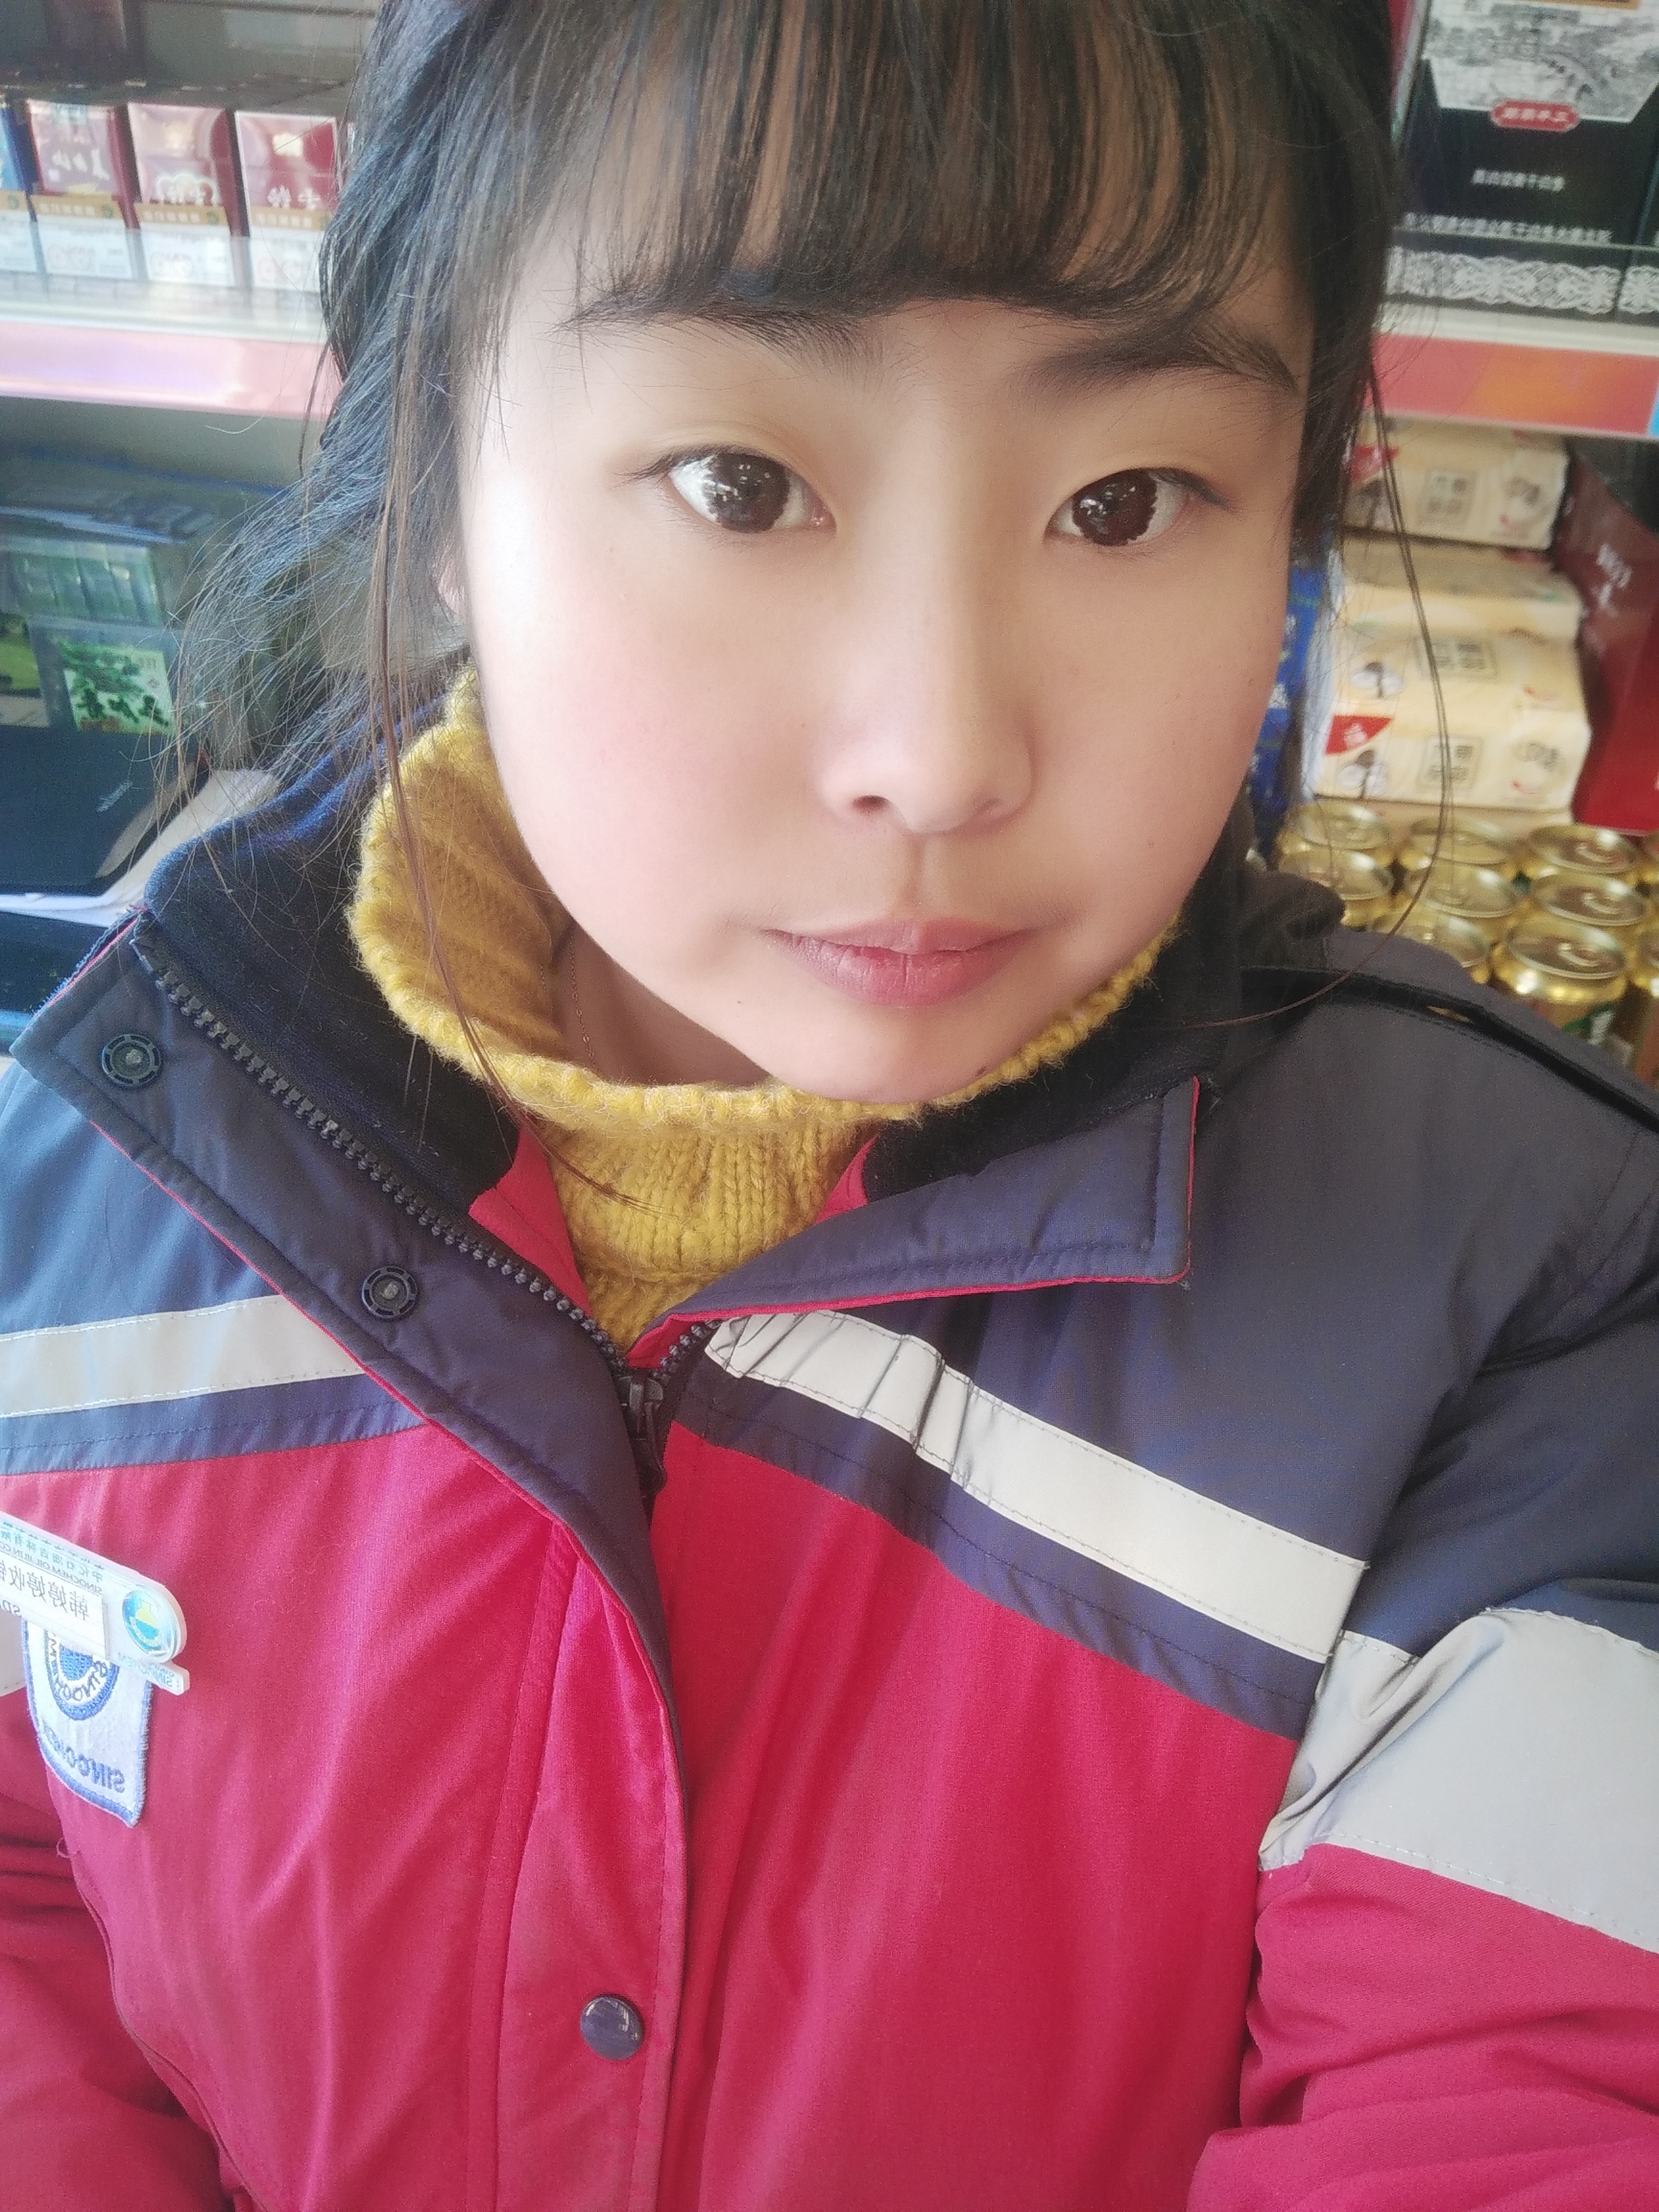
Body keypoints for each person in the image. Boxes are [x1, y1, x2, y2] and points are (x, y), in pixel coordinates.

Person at [2, 1, 1656, 2204]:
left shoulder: (1534, 1303)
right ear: (433, 478)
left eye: (1125, 502)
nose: (943, 752)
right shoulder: (89, 1163)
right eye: (739, 485)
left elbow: (1535, 2095)